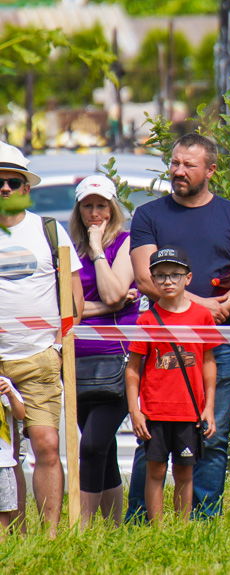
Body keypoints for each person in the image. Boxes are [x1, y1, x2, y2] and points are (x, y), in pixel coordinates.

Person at [128, 133, 230, 520]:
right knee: (150, 436)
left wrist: (224, 309)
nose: (179, 171)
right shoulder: (150, 215)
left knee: (212, 434)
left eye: (189, 165)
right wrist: (206, 307)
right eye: (175, 163)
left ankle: (203, 520)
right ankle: (139, 519)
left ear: (211, 170)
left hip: (221, 340)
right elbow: (146, 278)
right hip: (163, 342)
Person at [0, 141, 84, 537]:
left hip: (37, 358)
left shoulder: (49, 231)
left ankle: (50, 536)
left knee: (47, 445)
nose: (4, 189)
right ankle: (13, 533)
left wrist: (54, 344)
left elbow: (75, 302)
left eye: (12, 182)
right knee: (4, 457)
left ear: (25, 188)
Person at [125, 247, 217, 522]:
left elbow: (208, 363)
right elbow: (133, 369)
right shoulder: (147, 320)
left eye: (175, 275)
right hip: (155, 410)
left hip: (189, 410)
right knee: (154, 470)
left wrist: (209, 406)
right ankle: (157, 529)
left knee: (185, 471)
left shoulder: (202, 317)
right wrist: (135, 409)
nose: (168, 281)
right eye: (161, 275)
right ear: (152, 280)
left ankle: (181, 527)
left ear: (188, 279)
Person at [69, 175, 138, 526]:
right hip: (76, 360)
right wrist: (105, 305)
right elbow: (68, 309)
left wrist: (97, 251)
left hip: (118, 357)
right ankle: (112, 531)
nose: (95, 213)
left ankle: (80, 528)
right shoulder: (68, 249)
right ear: (79, 210)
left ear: (112, 208)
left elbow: (112, 293)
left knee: (93, 445)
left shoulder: (126, 243)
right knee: (105, 450)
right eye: (88, 206)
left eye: (101, 206)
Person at [0, 376, 24, 539]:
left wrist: (10, 395)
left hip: (2, 463)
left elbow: (20, 414)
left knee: (2, 513)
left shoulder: (3, 383)